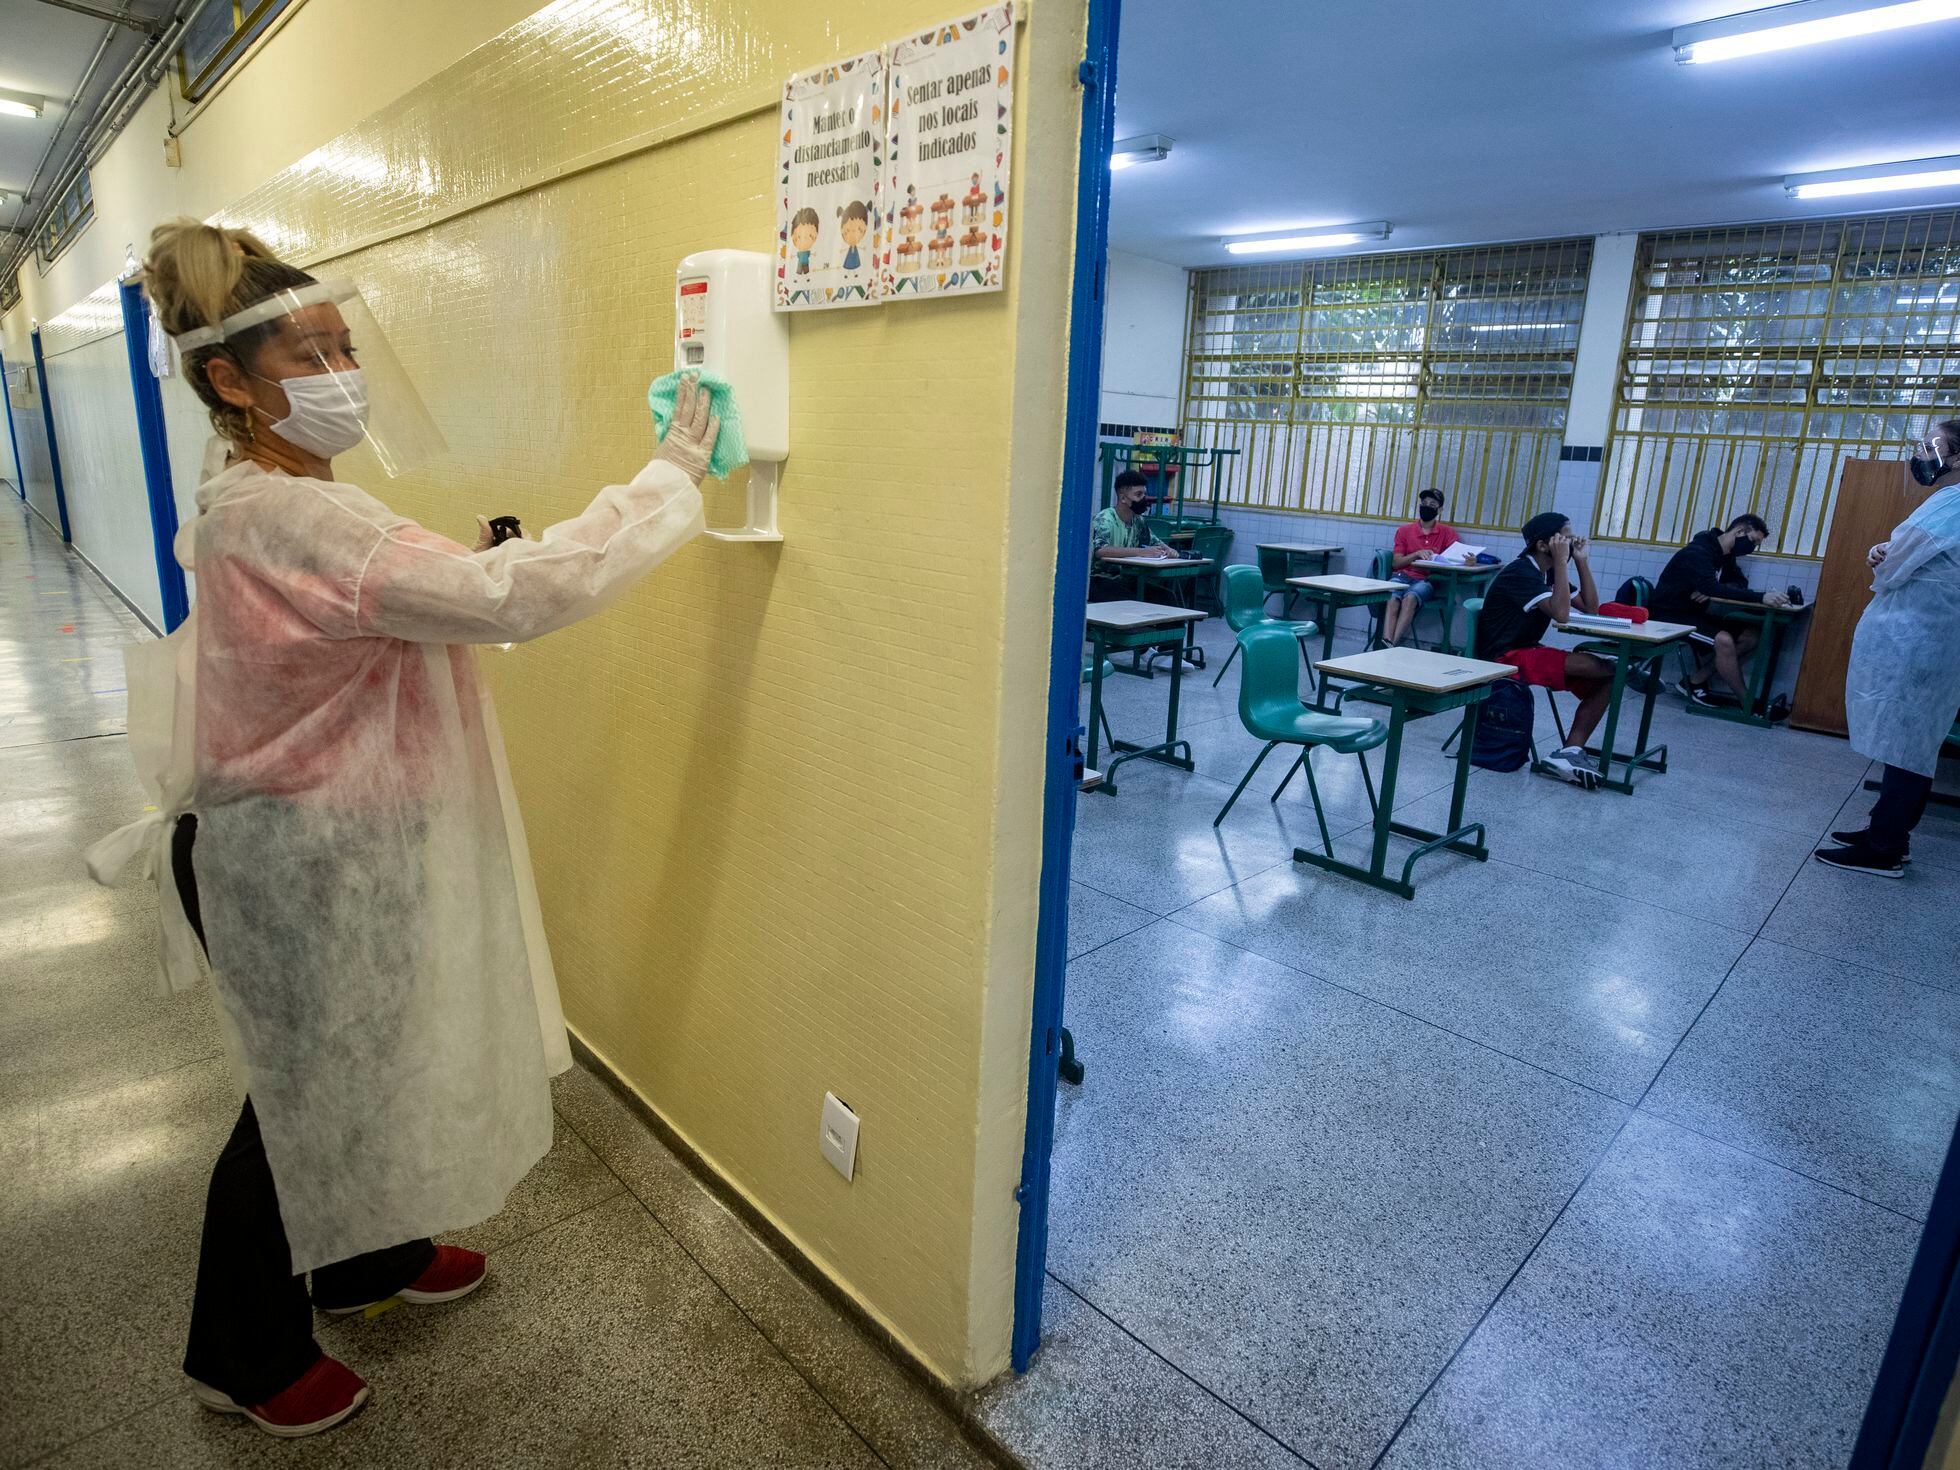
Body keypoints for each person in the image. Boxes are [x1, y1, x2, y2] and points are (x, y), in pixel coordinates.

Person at [118, 219, 717, 1436]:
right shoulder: (292, 516)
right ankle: (241, 1354)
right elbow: (510, 597)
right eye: (307, 356)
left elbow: (387, 602)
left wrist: (463, 567)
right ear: (229, 381)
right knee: (299, 1101)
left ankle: (355, 1260)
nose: (342, 375)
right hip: (298, 858)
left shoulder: (269, 490)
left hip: (337, 841)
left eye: (346, 347)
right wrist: (666, 482)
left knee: (362, 1073)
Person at [1816, 419, 1960, 877]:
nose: (1921, 455)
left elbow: (1899, 562)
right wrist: (1887, 549)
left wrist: (1885, 556)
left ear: (1956, 457)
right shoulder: (1947, 502)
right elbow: (1910, 550)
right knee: (1911, 743)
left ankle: (1885, 847)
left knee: (1907, 744)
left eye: (1932, 447)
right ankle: (1888, 830)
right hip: (1931, 637)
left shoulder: (1954, 502)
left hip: (1922, 637)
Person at [1473, 511, 1614, 787]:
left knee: (1610, 675)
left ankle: (1570, 751)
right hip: (1503, 658)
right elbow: (1561, 614)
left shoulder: (1548, 573)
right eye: (1565, 539)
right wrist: (1562, 563)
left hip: (1526, 650)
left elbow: (1591, 609)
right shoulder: (1521, 572)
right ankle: (1568, 754)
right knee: (1604, 668)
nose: (1570, 545)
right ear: (1542, 545)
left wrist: (1581, 562)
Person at [1650, 513, 1791, 713]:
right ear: (1740, 531)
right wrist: (1760, 598)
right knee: (1723, 640)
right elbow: (1711, 587)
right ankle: (1748, 704)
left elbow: (1739, 583)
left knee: (1751, 636)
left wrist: (1712, 587)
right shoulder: (1699, 552)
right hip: (1670, 616)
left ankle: (1695, 682)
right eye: (1753, 541)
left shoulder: (1726, 556)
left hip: (1694, 614)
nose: (1752, 548)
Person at [1382, 486, 1458, 646]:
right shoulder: (1404, 531)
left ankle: (1390, 646)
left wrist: (1468, 560)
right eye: (1424, 503)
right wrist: (1416, 554)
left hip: (1426, 580)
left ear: (1440, 509)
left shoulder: (1447, 533)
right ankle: (1387, 641)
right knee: (1392, 598)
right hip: (1401, 576)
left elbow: (1456, 558)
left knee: (1410, 598)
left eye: (1432, 504)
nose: (1427, 507)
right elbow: (1396, 562)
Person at [1088, 468, 1176, 601]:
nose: (1143, 499)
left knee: (1167, 597)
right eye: (1138, 495)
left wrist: (1168, 550)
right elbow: (1100, 551)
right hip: (1099, 579)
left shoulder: (1138, 520)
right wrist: (1141, 552)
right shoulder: (1105, 519)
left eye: (1144, 494)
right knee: (1131, 600)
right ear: (1123, 498)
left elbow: (1155, 541)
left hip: (1125, 579)